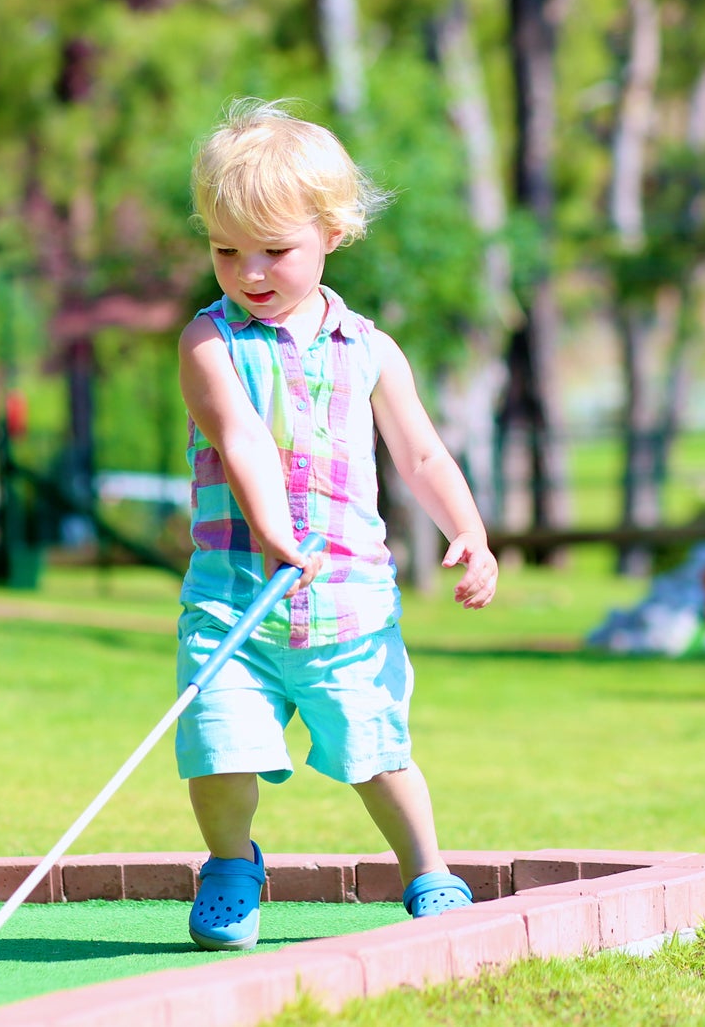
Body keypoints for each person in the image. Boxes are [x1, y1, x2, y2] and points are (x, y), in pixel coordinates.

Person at [174, 99, 498, 951]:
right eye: (225, 251)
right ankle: (233, 865)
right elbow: (239, 435)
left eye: (274, 251)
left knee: (378, 754)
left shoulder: (370, 349)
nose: (249, 272)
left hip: (349, 608)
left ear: (331, 232)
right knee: (218, 755)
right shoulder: (208, 343)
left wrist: (469, 531)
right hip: (233, 604)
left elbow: (422, 455)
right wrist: (274, 529)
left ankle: (428, 870)